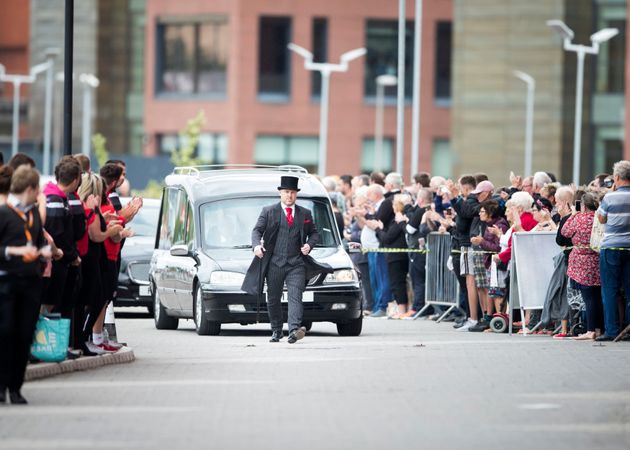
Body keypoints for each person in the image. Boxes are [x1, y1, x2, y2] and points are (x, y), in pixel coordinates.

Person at [242, 175, 327, 344]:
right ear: (280, 193)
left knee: (295, 295)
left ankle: (294, 330)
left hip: (296, 263)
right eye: (287, 192)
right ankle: (276, 330)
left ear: (296, 194)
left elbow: (315, 233)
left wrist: (309, 245)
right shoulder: (268, 211)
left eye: (293, 192)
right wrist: (256, 246)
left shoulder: (305, 213)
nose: (290, 195)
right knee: (273, 298)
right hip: (274, 262)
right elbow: (256, 231)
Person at [0, 166, 53, 404]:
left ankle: (15, 387)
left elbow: (40, 241)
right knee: (6, 332)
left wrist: (45, 252)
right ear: (30, 189)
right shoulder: (4, 213)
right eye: (38, 190)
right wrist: (14, 251)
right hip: (7, 282)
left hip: (31, 282)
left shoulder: (33, 216)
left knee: (24, 334)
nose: (40, 194)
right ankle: (1, 386)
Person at [596, 160, 630, 342]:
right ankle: (628, 329)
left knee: (610, 290)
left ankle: (612, 329)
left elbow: (601, 219)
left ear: (616, 177)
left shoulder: (610, 198)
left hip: (611, 247)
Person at [560, 192, 602, 340]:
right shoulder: (599, 217)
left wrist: (572, 214)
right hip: (597, 258)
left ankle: (590, 330)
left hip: (582, 261)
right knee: (597, 296)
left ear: (583, 206)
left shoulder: (579, 218)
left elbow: (565, 232)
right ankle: (598, 329)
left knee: (588, 297)